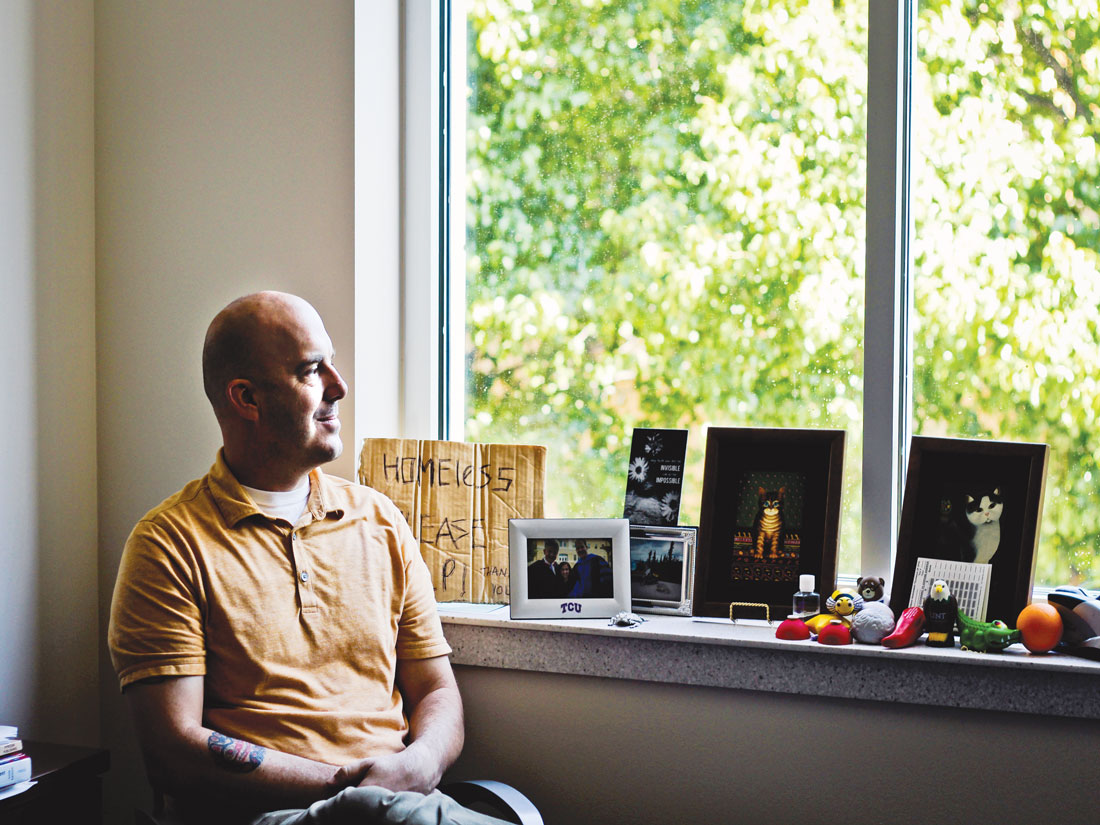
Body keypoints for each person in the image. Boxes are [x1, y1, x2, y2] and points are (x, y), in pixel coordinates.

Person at [108, 292, 507, 825]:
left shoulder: (380, 521)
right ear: (247, 398)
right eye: (312, 370)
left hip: (403, 805)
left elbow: (437, 690)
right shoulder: (168, 545)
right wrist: (354, 791)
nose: (338, 387)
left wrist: (419, 764)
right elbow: (172, 752)